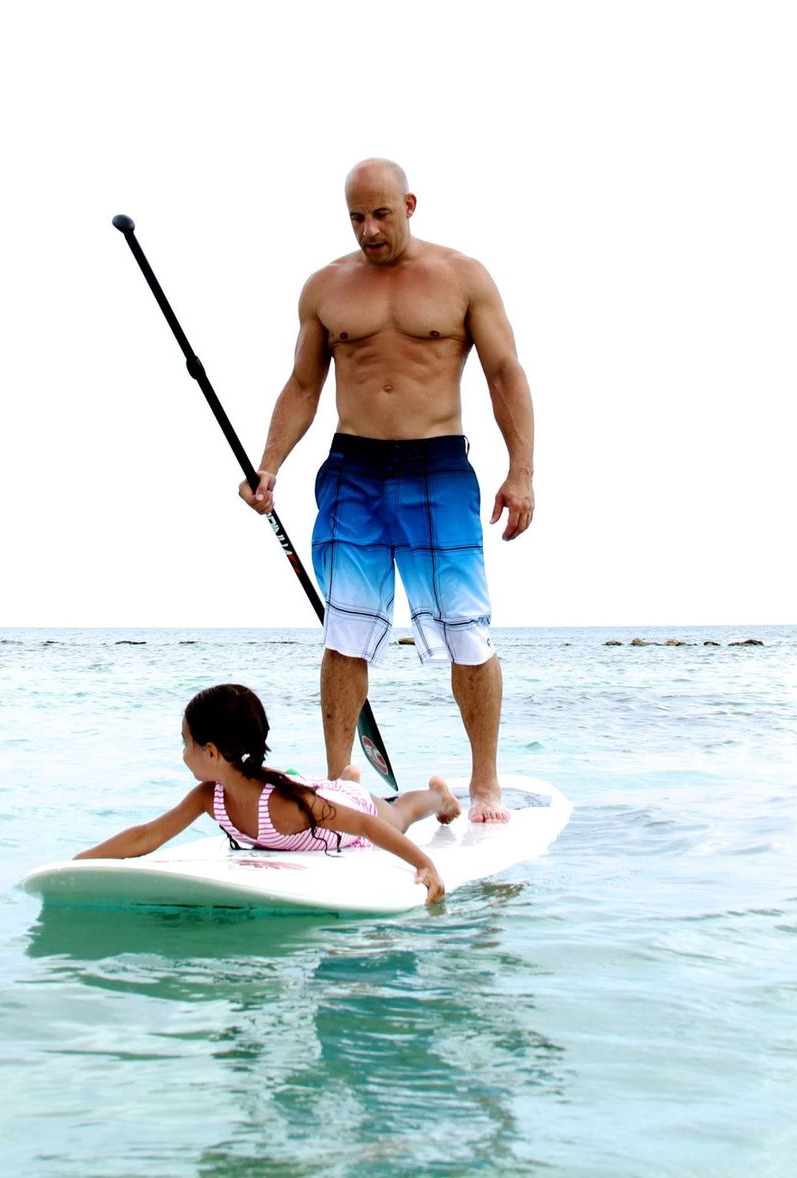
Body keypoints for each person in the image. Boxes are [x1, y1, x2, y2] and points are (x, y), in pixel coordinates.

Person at [239, 158, 535, 824]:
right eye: (356, 217)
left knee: (467, 631)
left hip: (438, 471)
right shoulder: (326, 288)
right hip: (352, 470)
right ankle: (341, 776)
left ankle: (484, 783)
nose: (370, 230)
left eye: (382, 214)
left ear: (409, 204)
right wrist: (269, 464)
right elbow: (305, 385)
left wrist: (522, 471)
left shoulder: (461, 278)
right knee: (344, 630)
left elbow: (505, 373)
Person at [74, 684, 460, 905]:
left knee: (399, 815)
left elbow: (364, 825)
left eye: (185, 743)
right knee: (341, 788)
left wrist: (423, 863)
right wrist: (81, 862)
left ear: (211, 752)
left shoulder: (286, 807)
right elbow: (147, 835)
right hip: (321, 797)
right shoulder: (209, 796)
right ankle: (347, 778)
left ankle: (437, 796)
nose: (182, 753)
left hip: (349, 813)